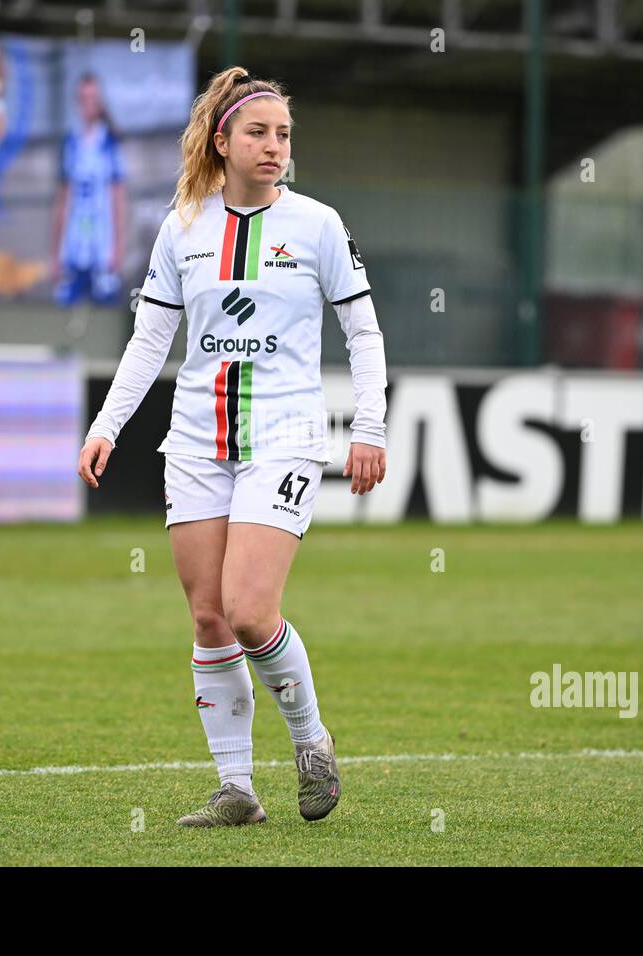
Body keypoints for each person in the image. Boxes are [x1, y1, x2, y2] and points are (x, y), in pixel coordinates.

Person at [76, 67, 388, 827]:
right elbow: (151, 339)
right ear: (223, 141)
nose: (275, 145)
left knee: (251, 610)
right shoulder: (182, 224)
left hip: (283, 438)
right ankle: (236, 789)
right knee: (209, 617)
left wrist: (370, 427)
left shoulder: (316, 225)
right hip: (194, 441)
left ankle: (312, 742)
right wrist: (108, 424)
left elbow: (363, 333)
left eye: (283, 134)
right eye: (259, 132)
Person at [51, 72, 127, 308]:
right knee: (66, 306)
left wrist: (118, 247)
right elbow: (63, 199)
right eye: (83, 99)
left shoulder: (110, 143)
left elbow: (118, 199)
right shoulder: (71, 142)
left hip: (101, 247)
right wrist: (55, 252)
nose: (88, 104)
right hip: (74, 247)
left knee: (105, 307)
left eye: (93, 98)